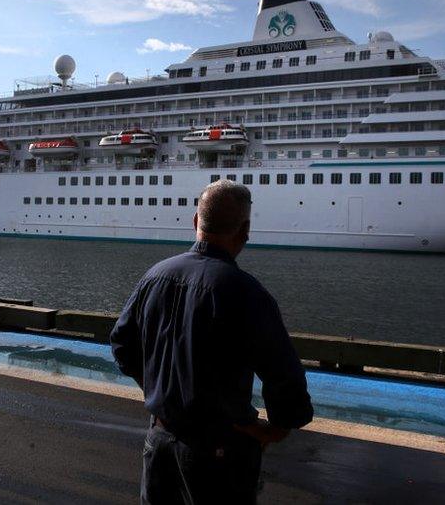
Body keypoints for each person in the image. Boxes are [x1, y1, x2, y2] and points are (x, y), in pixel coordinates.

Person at [110, 179, 314, 504]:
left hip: (159, 439)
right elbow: (283, 372)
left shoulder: (155, 276)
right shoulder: (246, 292)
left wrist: (157, 391)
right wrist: (279, 426)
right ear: (244, 231)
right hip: (220, 448)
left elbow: (122, 345)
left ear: (195, 222)